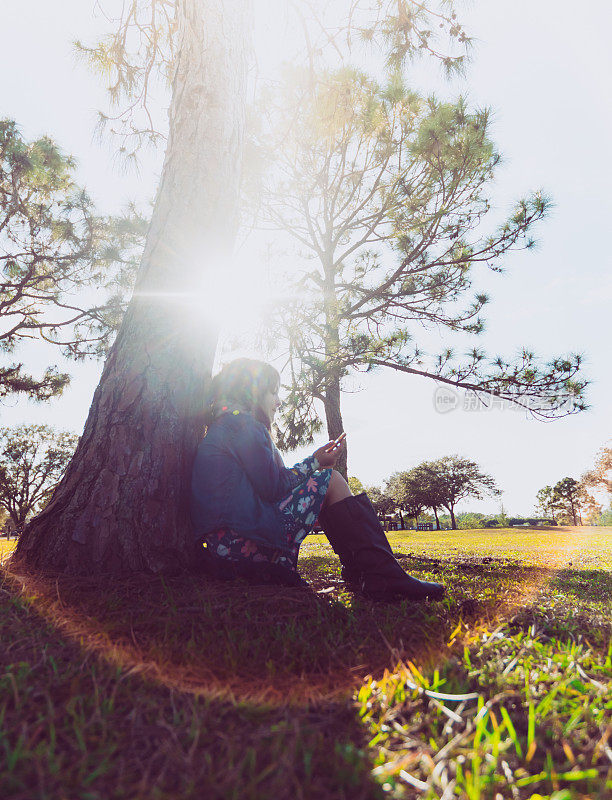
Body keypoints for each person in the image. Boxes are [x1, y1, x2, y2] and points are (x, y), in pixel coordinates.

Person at [190, 358, 444, 601]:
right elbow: (274, 488)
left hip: (224, 544)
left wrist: (314, 463)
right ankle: (381, 575)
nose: (279, 402)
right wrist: (315, 463)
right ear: (253, 392)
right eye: (273, 393)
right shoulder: (242, 425)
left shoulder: (226, 426)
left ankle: (367, 572)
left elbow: (270, 484)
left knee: (325, 480)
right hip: (240, 542)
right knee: (331, 480)